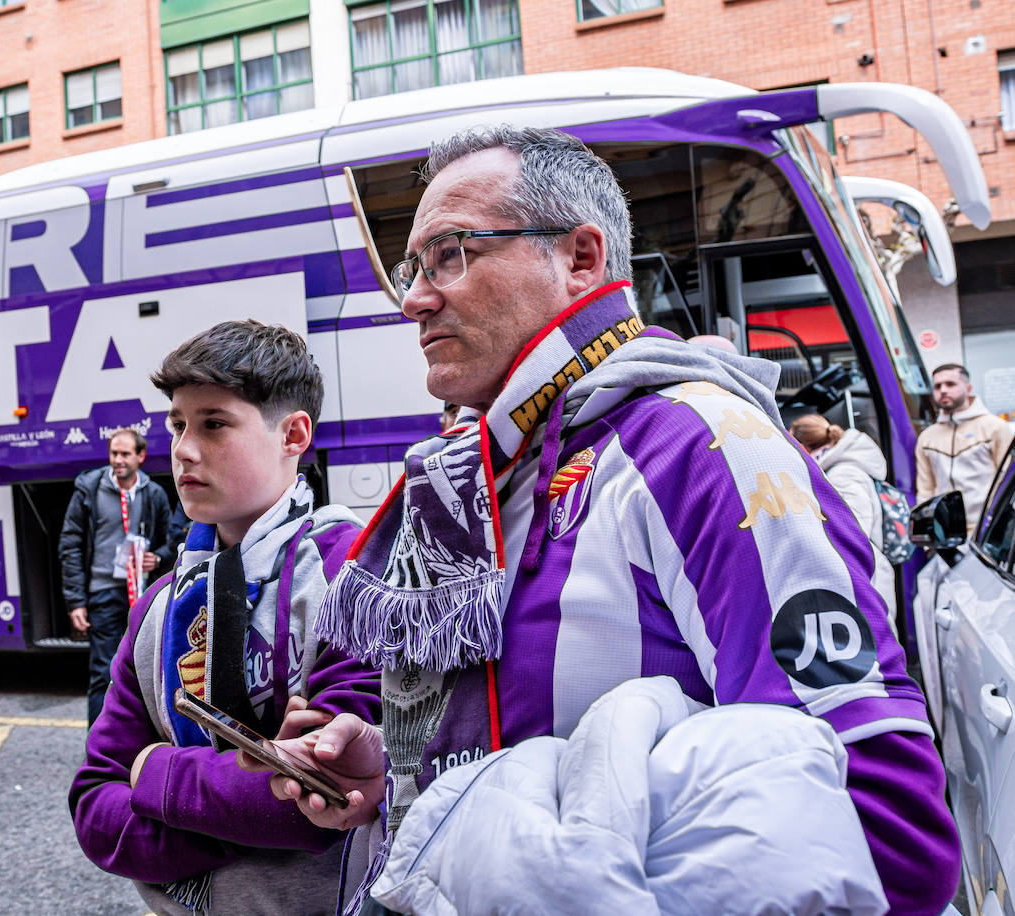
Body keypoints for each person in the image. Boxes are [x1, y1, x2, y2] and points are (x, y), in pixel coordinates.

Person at [255, 126, 958, 916]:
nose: (414, 297)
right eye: (412, 267)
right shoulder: (486, 471)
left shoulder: (698, 442)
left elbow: (882, 832)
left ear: (581, 259)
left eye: (451, 253)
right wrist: (389, 771)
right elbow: (533, 753)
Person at [69, 320, 381, 916]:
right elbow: (92, 807)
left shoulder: (352, 573)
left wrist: (155, 772)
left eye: (214, 423)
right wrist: (246, 804)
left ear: (293, 434)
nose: (183, 449)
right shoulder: (160, 603)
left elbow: (324, 799)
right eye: (178, 425)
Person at [59, 428, 173, 725]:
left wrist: (158, 557)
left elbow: (171, 542)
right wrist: (76, 602)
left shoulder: (154, 494)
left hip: (143, 594)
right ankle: (98, 752)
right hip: (103, 592)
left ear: (141, 456)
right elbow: (70, 545)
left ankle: (137, 748)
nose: (118, 460)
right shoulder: (90, 491)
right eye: (113, 454)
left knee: (147, 672)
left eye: (124, 454)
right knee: (103, 673)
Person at [788, 415, 896, 630]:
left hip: (864, 582)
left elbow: (853, 534)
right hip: (861, 580)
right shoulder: (836, 470)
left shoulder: (843, 475)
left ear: (803, 447)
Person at [916, 363, 1013, 535]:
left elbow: (1007, 482)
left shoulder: (995, 427)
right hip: (945, 536)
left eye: (950, 384)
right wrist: (927, 536)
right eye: (938, 386)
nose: (943, 390)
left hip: (988, 533)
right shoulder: (926, 437)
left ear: (968, 388)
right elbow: (925, 490)